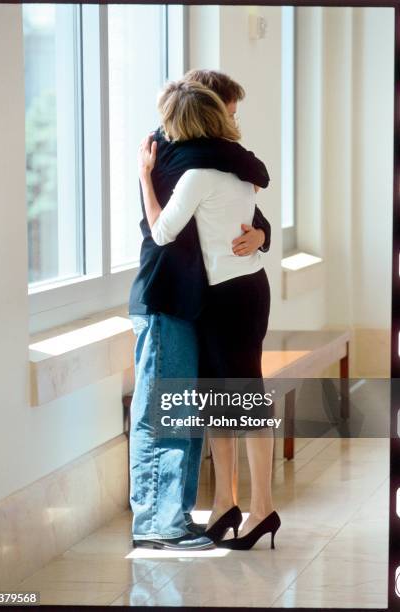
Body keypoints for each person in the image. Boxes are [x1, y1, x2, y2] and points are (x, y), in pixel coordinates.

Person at [129, 71, 271, 551]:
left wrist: (262, 232)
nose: (233, 124)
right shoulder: (174, 156)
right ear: (208, 116)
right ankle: (167, 520)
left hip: (212, 298)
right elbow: (163, 231)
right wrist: (146, 176)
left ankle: (229, 509)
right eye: (228, 114)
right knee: (173, 411)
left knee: (212, 405)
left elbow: (242, 206)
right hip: (172, 297)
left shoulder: (216, 160)